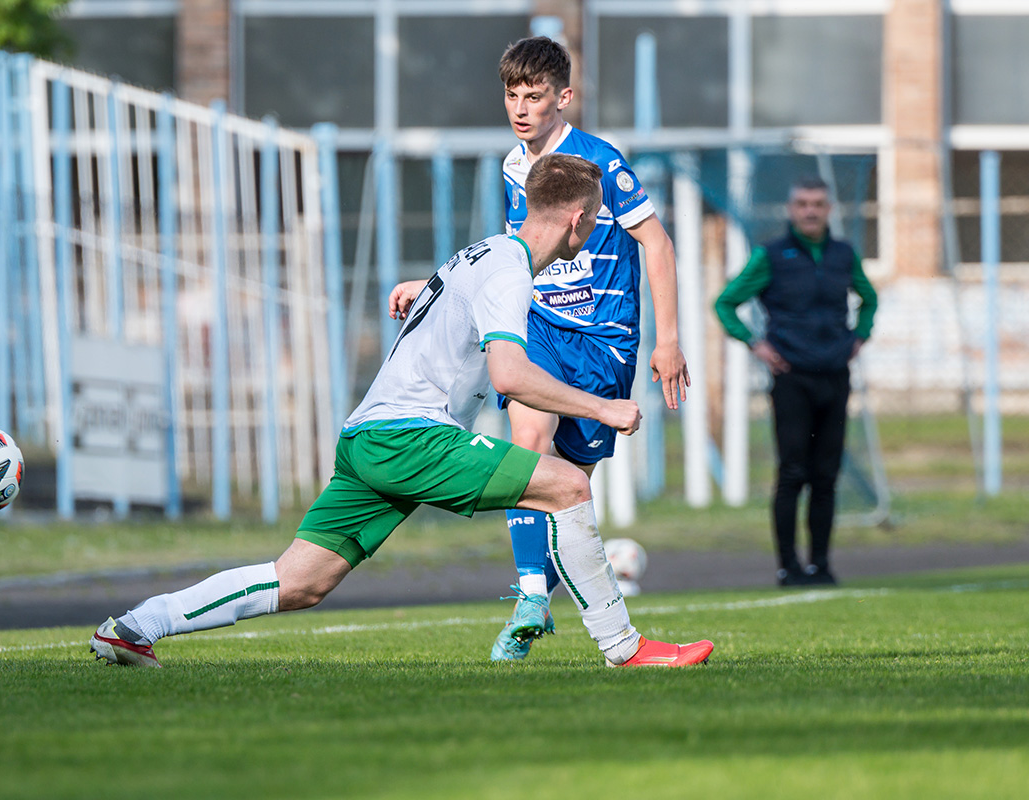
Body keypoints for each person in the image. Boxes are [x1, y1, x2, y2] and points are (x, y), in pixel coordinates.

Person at [90, 154, 713, 669]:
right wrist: (603, 407)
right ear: (578, 219)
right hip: (410, 436)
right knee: (568, 486)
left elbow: (451, 313)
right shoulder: (511, 273)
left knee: (299, 581)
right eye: (596, 219)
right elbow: (509, 375)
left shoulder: (482, 253)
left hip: (367, 435)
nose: (595, 228)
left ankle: (136, 626)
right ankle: (625, 648)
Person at [493, 36, 689, 661]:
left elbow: (656, 243)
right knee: (528, 445)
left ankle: (543, 600)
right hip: (541, 325)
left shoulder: (602, 162)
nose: (521, 108)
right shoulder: (512, 167)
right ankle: (529, 596)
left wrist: (668, 340)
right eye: (512, 96)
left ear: (564, 97)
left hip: (605, 342)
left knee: (569, 488)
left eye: (534, 96)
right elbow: (518, 252)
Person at [714, 176, 878, 587]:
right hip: (792, 379)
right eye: (803, 203)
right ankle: (789, 566)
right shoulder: (771, 255)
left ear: (828, 210)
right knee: (792, 473)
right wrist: (756, 344)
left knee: (826, 475)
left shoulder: (843, 254)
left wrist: (860, 335)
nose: (810, 211)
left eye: (818, 204)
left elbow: (869, 298)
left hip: (835, 377)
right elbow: (726, 303)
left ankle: (821, 565)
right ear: (791, 209)